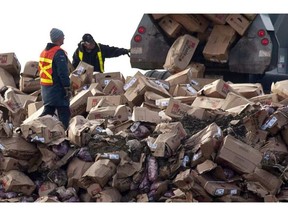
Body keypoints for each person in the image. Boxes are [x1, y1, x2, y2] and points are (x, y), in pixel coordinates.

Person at [38, 28, 72, 130]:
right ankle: (63, 136)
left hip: (46, 89)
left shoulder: (44, 52)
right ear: (58, 38)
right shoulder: (58, 53)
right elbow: (62, 72)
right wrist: (67, 86)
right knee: (64, 113)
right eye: (63, 36)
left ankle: (34, 128)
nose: (64, 38)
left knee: (48, 111)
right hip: (57, 89)